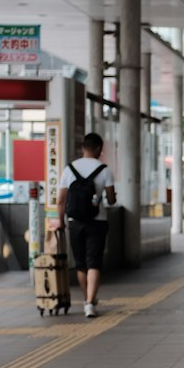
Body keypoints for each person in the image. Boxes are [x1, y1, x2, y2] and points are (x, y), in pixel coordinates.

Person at [53, 131, 116, 319]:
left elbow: (60, 200)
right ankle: (90, 302)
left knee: (81, 265)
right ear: (98, 149)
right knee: (94, 262)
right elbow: (111, 200)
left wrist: (61, 222)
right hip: (97, 222)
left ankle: (87, 299)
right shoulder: (104, 170)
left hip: (75, 223)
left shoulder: (69, 169)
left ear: (83, 148)